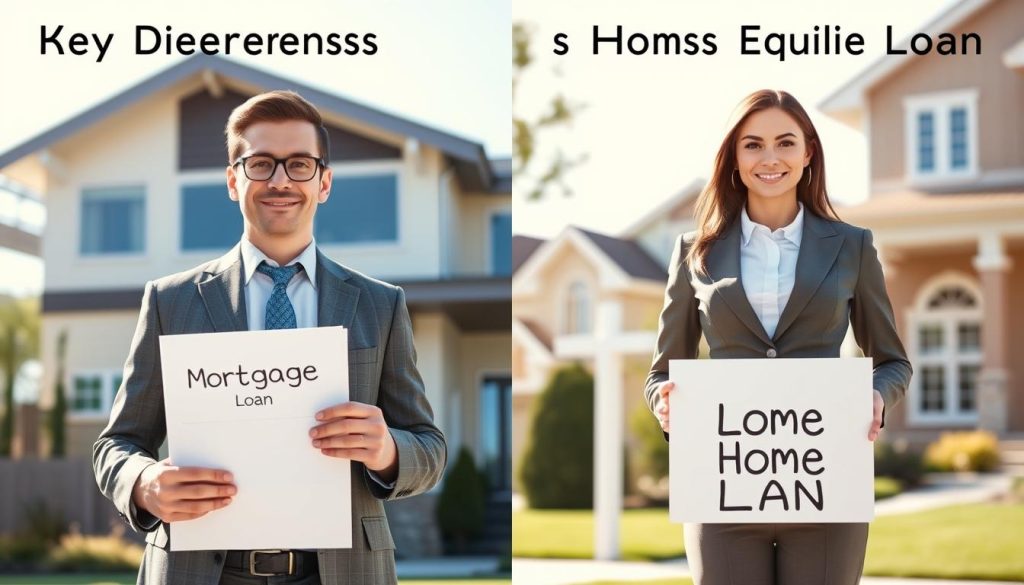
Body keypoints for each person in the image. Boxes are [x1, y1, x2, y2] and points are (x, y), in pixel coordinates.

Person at [93, 90, 446, 585]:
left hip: (340, 572)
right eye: (260, 164)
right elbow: (118, 444)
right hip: (199, 571)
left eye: (299, 164)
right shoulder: (170, 302)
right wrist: (145, 483)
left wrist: (386, 449)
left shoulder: (379, 304)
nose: (280, 180)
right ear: (233, 181)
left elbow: (429, 448)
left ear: (324, 182)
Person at [644, 89, 912, 585]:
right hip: (722, 486)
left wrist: (877, 394)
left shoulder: (853, 246)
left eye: (785, 143)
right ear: (734, 158)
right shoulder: (692, 252)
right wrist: (663, 402)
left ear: (808, 152)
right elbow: (661, 372)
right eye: (753, 145)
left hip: (826, 481)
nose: (770, 158)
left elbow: (893, 361)